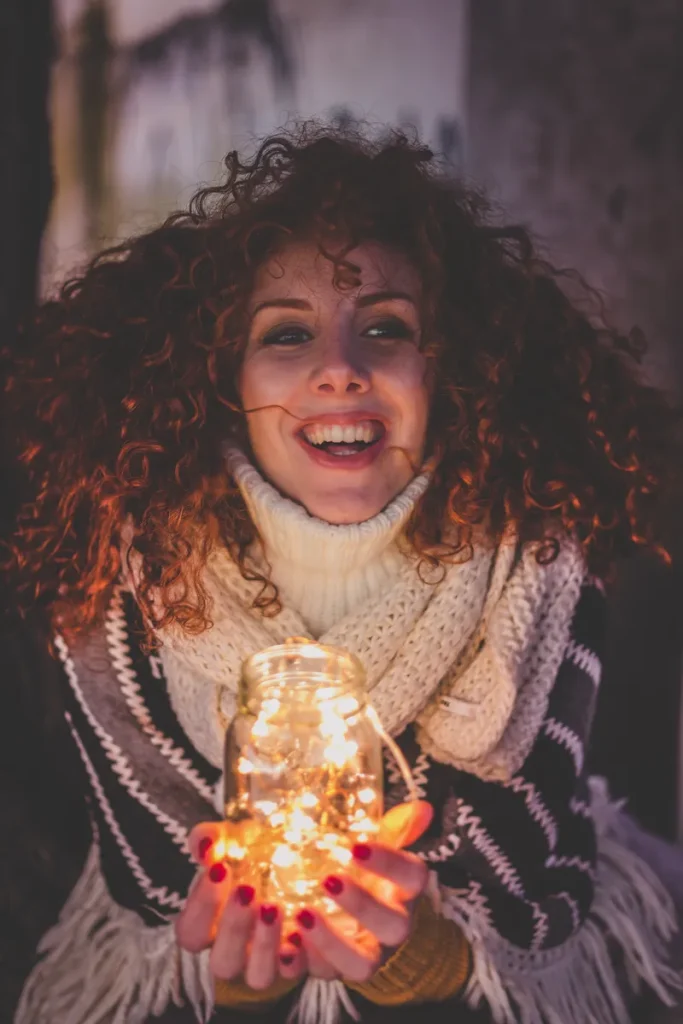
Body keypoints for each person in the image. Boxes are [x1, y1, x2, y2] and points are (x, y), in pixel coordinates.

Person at [2, 125, 682, 1024]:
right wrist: (230, 985)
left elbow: (529, 881)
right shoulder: (118, 591)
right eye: (287, 333)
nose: (338, 369)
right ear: (224, 379)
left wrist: (432, 964)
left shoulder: (548, 568)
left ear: (448, 371)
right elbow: (136, 875)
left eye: (386, 328)